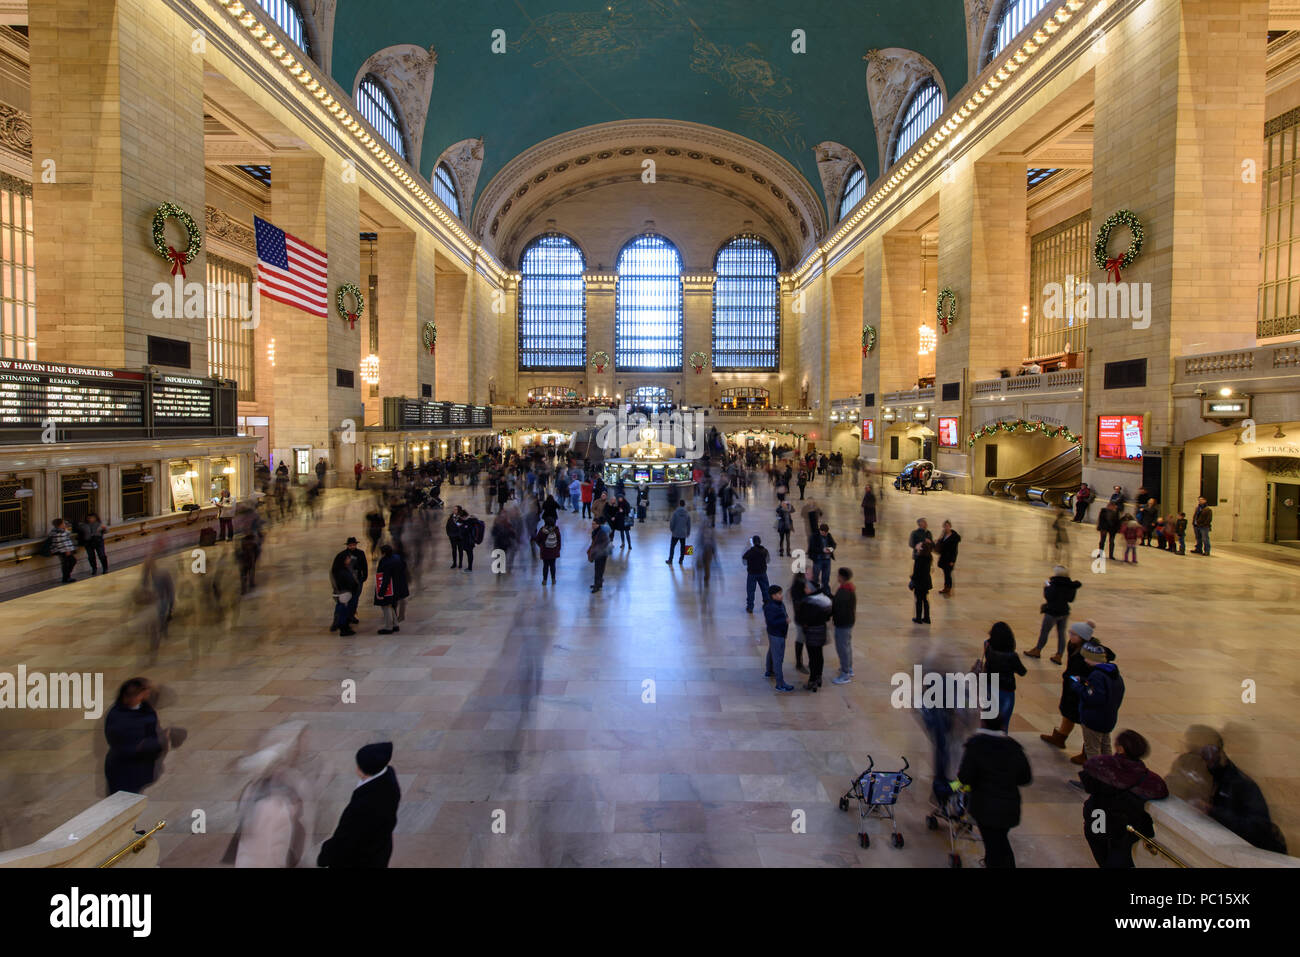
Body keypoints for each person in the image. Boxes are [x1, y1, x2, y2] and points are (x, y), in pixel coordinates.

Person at [1079, 729, 1169, 868]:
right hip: (1126, 826)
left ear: (1120, 748)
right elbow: (1161, 792)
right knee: (1120, 855)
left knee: (1101, 848)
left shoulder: (1100, 765)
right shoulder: (1152, 780)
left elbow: (1088, 782)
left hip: (1099, 819)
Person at [956, 716, 1033, 868]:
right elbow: (1026, 778)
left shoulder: (976, 745)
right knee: (999, 842)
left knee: (995, 847)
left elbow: (965, 777)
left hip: (985, 808)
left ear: (983, 723)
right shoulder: (1014, 747)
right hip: (1010, 808)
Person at [1199, 733, 1288, 853]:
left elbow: (1256, 827)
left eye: (1210, 752)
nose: (1206, 758)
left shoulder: (1242, 784)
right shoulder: (1218, 775)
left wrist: (1212, 811)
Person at [317, 742, 401, 868]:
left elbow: (346, 837)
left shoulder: (364, 804)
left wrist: (325, 856)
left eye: (359, 766)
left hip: (360, 859)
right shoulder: (388, 776)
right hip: (380, 850)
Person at [1040, 621, 1110, 756]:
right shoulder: (1074, 645)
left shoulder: (1090, 653)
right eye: (1070, 633)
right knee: (1068, 713)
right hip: (1072, 687)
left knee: (1084, 721)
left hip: (1080, 689)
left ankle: (1087, 752)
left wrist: (1075, 681)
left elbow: (1086, 675)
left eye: (1073, 634)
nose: (1070, 636)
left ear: (1082, 637)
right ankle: (1060, 737)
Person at [104, 677, 177, 795]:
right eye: (144, 693)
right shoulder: (118, 718)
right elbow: (129, 746)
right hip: (124, 772)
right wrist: (162, 740)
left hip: (139, 770)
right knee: (123, 802)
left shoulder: (144, 708)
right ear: (129, 697)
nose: (146, 696)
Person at [1075, 639, 1125, 762]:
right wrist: (1086, 682)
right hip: (1108, 718)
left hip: (1094, 720)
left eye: (1087, 657)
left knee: (1092, 750)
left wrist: (1077, 686)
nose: (1085, 660)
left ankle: (1095, 778)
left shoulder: (1097, 675)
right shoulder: (1114, 674)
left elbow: (1092, 697)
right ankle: (1108, 774)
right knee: (1105, 747)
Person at [1026, 564, 1082, 663]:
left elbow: (1048, 596)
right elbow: (1071, 599)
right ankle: (1059, 655)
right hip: (1064, 611)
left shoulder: (1054, 584)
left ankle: (1038, 650)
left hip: (1052, 612)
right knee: (1061, 634)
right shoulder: (1071, 585)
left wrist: (1047, 587)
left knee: (1045, 632)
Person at [983, 622, 1027, 731]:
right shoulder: (1012, 656)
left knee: (988, 718)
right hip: (1005, 690)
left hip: (989, 685)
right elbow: (1022, 672)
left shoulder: (987, 646)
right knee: (1003, 721)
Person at [329, 537, 368, 637]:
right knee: (342, 606)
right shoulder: (341, 556)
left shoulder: (360, 553)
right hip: (345, 590)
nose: (349, 560)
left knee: (353, 602)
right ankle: (339, 623)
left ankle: (350, 617)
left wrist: (364, 577)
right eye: (350, 545)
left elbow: (364, 566)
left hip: (355, 583)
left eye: (353, 544)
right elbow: (336, 575)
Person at [800, 582, 833, 691]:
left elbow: (804, 618)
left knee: (812, 657)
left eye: (806, 587)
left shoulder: (808, 601)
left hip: (811, 632)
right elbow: (828, 615)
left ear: (811, 589)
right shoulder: (824, 599)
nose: (804, 589)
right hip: (821, 631)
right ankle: (819, 677)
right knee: (819, 655)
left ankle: (812, 680)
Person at [763, 585, 795, 692]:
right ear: (773, 596)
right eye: (778, 594)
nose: (781, 596)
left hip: (779, 633)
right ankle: (780, 684)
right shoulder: (771, 607)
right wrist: (784, 621)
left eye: (781, 593)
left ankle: (769, 671)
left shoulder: (779, 604)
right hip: (776, 634)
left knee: (772, 651)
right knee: (778, 658)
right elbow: (771, 622)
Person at [374, 544, 409, 635]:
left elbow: (385, 578)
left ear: (384, 553)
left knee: (386, 606)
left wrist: (381, 592)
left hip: (390, 588)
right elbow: (404, 567)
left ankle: (388, 627)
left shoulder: (385, 562)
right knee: (392, 605)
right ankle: (395, 624)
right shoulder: (398, 557)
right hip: (399, 586)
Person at [830, 567, 856, 684]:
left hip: (842, 623)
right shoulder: (849, 588)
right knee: (847, 645)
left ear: (841, 577)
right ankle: (849, 668)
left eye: (838, 575)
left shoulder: (843, 592)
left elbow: (837, 607)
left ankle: (845, 674)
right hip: (848, 621)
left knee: (842, 648)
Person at [742, 535, 771, 614]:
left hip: (752, 573)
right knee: (765, 589)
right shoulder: (765, 551)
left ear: (753, 542)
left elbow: (744, 559)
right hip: (762, 573)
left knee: (751, 591)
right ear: (760, 542)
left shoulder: (750, 552)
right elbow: (768, 561)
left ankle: (750, 607)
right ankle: (767, 605)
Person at [909, 540, 933, 624]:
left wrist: (912, 578)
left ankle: (918, 618)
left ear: (922, 548)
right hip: (926, 581)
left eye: (919, 544)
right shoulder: (928, 556)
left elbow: (917, 572)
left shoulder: (919, 558)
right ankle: (927, 617)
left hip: (919, 582)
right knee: (925, 599)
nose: (917, 544)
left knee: (918, 600)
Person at [48, 517, 77, 583]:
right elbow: (62, 542)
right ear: (60, 524)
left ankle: (67, 576)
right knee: (69, 562)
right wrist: (67, 550)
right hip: (63, 550)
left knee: (68, 563)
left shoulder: (60, 530)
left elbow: (68, 533)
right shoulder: (59, 532)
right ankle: (66, 577)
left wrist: (65, 529)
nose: (65, 524)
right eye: (63, 523)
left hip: (63, 550)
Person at [935, 520, 960, 595]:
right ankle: (946, 587)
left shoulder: (954, 537)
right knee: (946, 573)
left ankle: (948, 588)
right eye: (945, 526)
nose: (946, 527)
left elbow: (955, 550)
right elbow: (941, 544)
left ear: (950, 526)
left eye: (947, 526)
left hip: (949, 559)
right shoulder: (944, 535)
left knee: (948, 574)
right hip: (944, 558)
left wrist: (953, 560)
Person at [535, 517, 562, 585]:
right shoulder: (556, 530)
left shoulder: (542, 530)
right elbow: (559, 541)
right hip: (553, 551)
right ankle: (553, 579)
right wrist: (558, 549)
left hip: (545, 551)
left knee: (545, 566)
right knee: (553, 565)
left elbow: (537, 540)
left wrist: (541, 546)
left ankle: (544, 580)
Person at [587, 519, 611, 593]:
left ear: (598, 525)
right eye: (592, 524)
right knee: (598, 569)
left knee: (599, 570)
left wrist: (598, 549)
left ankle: (597, 586)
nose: (593, 525)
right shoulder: (595, 531)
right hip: (598, 553)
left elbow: (606, 542)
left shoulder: (601, 532)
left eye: (594, 524)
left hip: (601, 554)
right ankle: (598, 584)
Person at [810, 523, 835, 589]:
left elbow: (833, 544)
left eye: (826, 533)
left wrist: (831, 549)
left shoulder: (828, 535)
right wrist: (822, 550)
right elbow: (812, 548)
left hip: (827, 560)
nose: (825, 534)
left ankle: (826, 591)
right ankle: (815, 590)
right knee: (815, 577)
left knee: (826, 577)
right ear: (820, 531)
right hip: (818, 560)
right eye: (824, 533)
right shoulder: (814, 536)